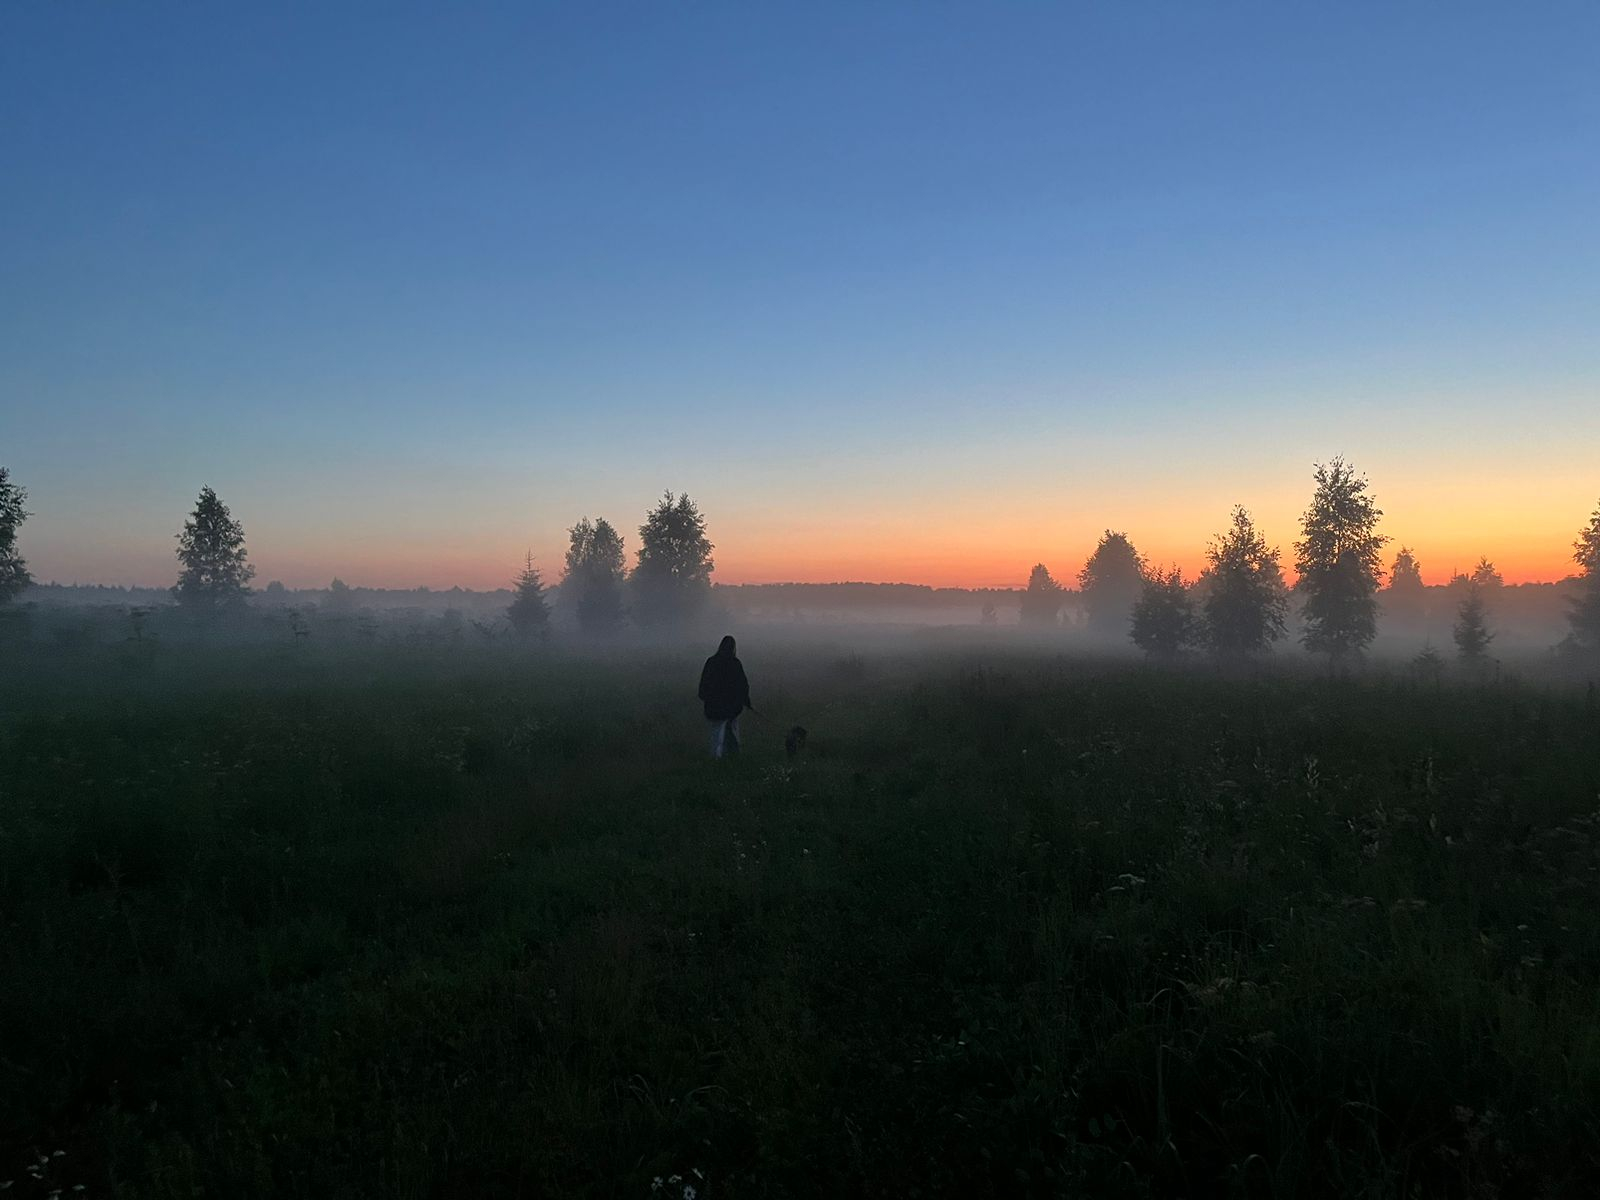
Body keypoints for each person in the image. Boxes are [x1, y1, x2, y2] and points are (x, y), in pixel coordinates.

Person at [698, 635, 751, 758]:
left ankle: (717, 757)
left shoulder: (711, 662)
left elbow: (704, 683)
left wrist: (704, 696)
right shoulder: (735, 663)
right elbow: (742, 684)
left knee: (716, 734)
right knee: (732, 731)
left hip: (714, 705)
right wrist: (746, 700)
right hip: (731, 706)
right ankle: (732, 757)